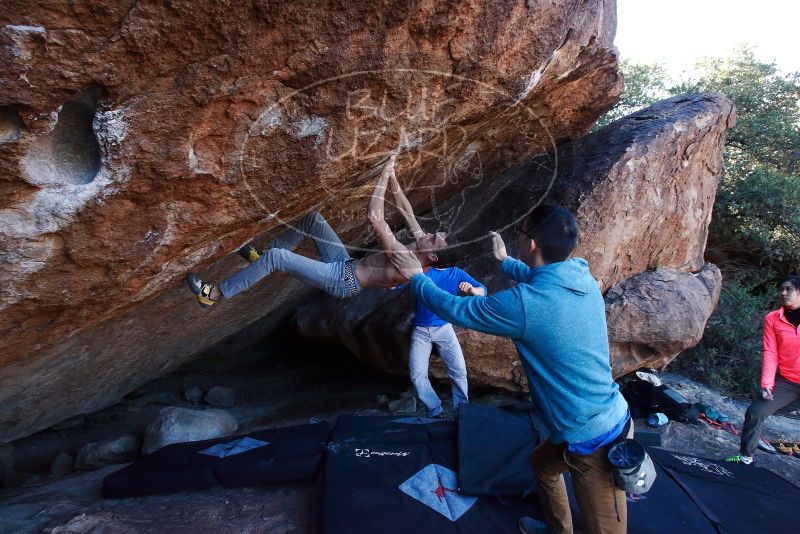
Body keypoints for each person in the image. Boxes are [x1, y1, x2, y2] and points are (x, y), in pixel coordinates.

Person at [389, 205, 632, 534]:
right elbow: (540, 275)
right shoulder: (579, 274)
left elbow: (457, 309)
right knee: (542, 467)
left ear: (531, 243)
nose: (517, 237)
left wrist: (417, 278)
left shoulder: (525, 304)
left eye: (520, 232)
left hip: (596, 438)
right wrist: (505, 261)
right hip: (580, 420)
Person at [185, 154, 447, 306]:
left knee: (279, 259)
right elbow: (406, 209)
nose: (427, 234)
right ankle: (259, 257)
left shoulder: (408, 263)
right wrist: (392, 174)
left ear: (432, 256)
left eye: (433, 239)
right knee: (313, 220)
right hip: (345, 264)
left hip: (342, 281)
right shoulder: (421, 244)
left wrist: (381, 175)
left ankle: (216, 294)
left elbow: (375, 218)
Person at [726, 275, 800, 465]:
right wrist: (767, 383)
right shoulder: (773, 318)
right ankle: (745, 458)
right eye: (781, 289)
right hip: (788, 381)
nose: (783, 293)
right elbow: (771, 351)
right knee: (756, 411)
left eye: (789, 289)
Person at [395, 264, 486, 418]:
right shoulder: (422, 271)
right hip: (421, 330)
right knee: (417, 374)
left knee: (459, 371)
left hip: (444, 328)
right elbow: (396, 285)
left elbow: (483, 290)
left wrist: (472, 290)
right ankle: (434, 409)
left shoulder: (456, 273)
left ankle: (461, 410)